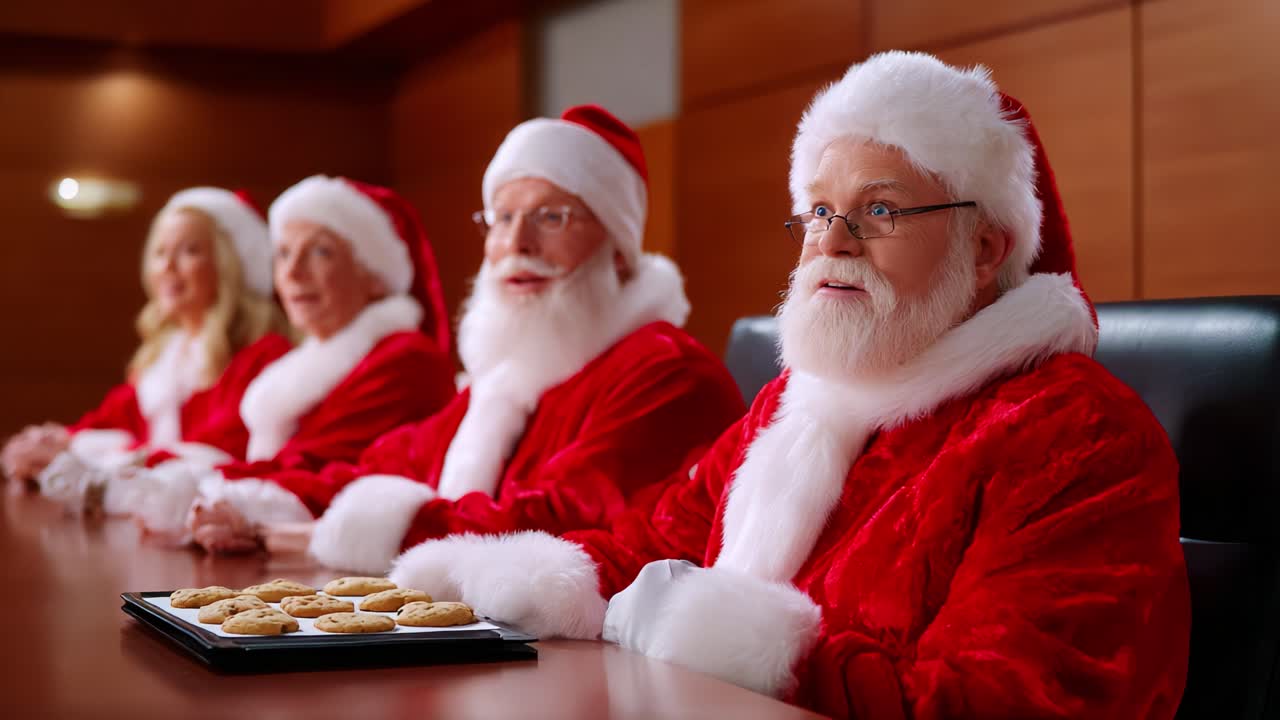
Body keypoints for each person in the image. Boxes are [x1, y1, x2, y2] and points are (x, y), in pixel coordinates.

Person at [383, 54, 1191, 719]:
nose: (832, 243)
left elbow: (1006, 701)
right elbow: (646, 542)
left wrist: (754, 650)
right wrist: (509, 580)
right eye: (818, 212)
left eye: (880, 211)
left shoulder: (1078, 434)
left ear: (984, 250)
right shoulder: (792, 404)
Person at [188, 105, 746, 568]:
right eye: (501, 219)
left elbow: (561, 519)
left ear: (619, 251)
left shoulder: (667, 371)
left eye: (551, 217)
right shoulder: (514, 375)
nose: (517, 243)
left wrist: (359, 535)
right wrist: (249, 502)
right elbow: (387, 464)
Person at [52, 177, 457, 537]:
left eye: (320, 253)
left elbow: (322, 468)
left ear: (375, 276)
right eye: (283, 253)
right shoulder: (301, 365)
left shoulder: (406, 360)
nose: (293, 273)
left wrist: (173, 490)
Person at [2, 187, 290, 488]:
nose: (167, 266)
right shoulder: (163, 357)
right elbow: (111, 419)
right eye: (160, 252)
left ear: (230, 264)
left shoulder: (263, 356)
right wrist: (56, 441)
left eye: (189, 251)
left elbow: (220, 457)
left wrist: (84, 458)